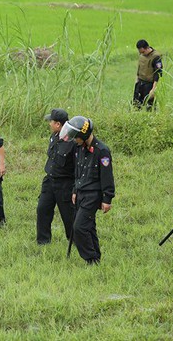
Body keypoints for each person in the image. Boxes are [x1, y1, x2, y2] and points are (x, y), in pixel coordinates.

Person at [60, 116, 115, 265]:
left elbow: (107, 177)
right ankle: (96, 257)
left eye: (76, 136)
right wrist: (74, 190)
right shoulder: (79, 149)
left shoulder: (102, 151)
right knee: (89, 227)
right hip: (80, 193)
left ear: (83, 135)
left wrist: (107, 199)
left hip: (93, 195)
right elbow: (77, 172)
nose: (74, 139)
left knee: (79, 227)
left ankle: (90, 258)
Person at [37, 108, 75, 244]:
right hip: (50, 181)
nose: (49, 124)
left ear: (58, 124)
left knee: (68, 215)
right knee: (42, 209)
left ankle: (75, 241)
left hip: (64, 184)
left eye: (51, 122)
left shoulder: (72, 141)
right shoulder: (54, 136)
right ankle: (43, 242)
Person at [133, 39, 163, 110]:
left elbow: (158, 73)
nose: (142, 54)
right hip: (140, 83)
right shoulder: (141, 55)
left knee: (150, 107)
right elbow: (139, 68)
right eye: (140, 52)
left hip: (149, 85)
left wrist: (153, 89)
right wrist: (136, 81)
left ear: (147, 48)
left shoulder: (155, 57)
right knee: (136, 106)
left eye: (143, 52)